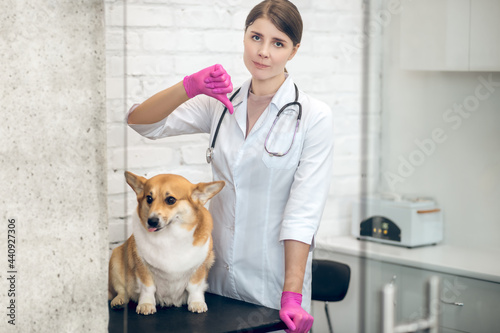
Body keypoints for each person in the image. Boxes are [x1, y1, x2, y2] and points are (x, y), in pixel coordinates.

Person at [127, 1, 334, 332]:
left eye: (278, 43)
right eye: (256, 37)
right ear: (244, 37)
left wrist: (291, 295)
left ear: (293, 51)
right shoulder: (220, 104)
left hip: (274, 279)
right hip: (215, 274)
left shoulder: (313, 116)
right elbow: (142, 123)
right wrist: (189, 86)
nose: (263, 51)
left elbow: (303, 213)